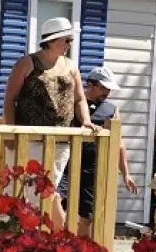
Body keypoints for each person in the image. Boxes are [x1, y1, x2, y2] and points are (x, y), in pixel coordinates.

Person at [2, 17, 100, 224]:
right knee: (18, 187)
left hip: (60, 141)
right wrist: (9, 132)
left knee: (47, 189)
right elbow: (10, 98)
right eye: (66, 40)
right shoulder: (26, 63)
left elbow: (80, 99)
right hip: (28, 138)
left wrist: (86, 121)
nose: (69, 45)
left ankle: (35, 233)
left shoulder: (71, 67)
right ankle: (10, 230)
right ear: (52, 40)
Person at [57, 66, 139, 237]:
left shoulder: (112, 110)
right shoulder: (72, 103)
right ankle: (58, 241)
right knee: (55, 199)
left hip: (92, 169)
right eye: (103, 88)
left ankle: (80, 250)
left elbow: (119, 143)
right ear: (90, 84)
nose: (106, 92)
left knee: (86, 217)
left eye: (109, 89)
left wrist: (126, 174)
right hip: (66, 163)